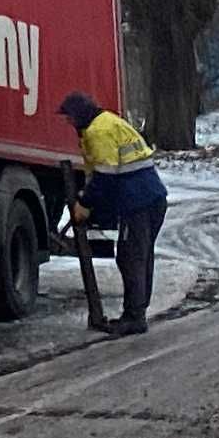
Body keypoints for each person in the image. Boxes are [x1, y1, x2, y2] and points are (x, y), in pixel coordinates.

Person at [57, 93, 165, 338]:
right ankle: (137, 313)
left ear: (80, 114)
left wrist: (84, 203)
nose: (68, 123)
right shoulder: (108, 122)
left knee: (131, 258)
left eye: (69, 117)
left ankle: (134, 317)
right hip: (151, 198)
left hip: (138, 202)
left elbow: (105, 176)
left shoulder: (98, 131)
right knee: (140, 256)